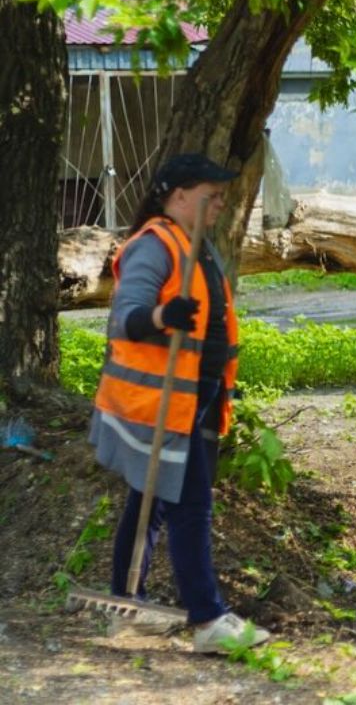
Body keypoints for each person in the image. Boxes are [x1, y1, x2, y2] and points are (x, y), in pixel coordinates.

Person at [90, 153, 271, 654]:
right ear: (178, 196)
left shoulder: (196, 245)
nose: (219, 206)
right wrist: (165, 314)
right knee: (191, 503)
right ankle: (207, 618)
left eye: (220, 198)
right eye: (211, 196)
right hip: (159, 402)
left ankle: (128, 606)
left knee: (149, 504)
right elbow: (126, 319)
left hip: (193, 395)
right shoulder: (154, 245)